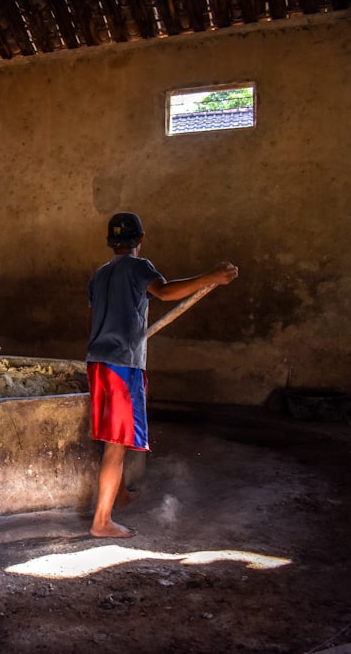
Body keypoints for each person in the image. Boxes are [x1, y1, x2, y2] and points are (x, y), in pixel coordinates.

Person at [86, 212, 238, 538]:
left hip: (98, 360)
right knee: (116, 442)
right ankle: (101, 522)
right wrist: (210, 277)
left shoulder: (99, 275)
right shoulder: (141, 267)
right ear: (141, 239)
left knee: (116, 435)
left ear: (109, 243)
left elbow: (104, 311)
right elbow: (166, 292)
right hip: (121, 364)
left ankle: (120, 494)